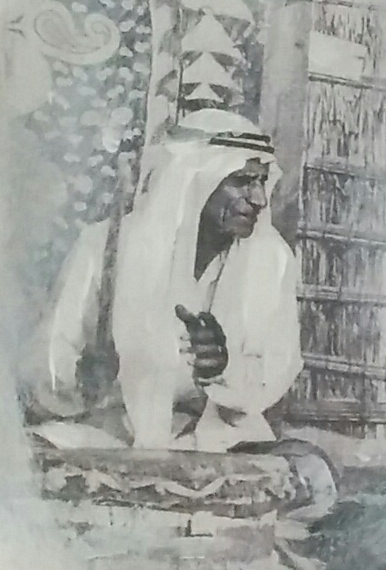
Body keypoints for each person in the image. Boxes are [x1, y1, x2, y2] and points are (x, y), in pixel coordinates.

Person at [104, 115, 303, 453]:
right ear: (194, 180)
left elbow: (275, 372)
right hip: (117, 435)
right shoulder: (110, 249)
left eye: (261, 181)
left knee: (309, 467)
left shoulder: (273, 259)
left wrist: (222, 369)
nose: (259, 199)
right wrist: (91, 372)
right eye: (242, 181)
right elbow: (49, 375)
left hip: (223, 440)